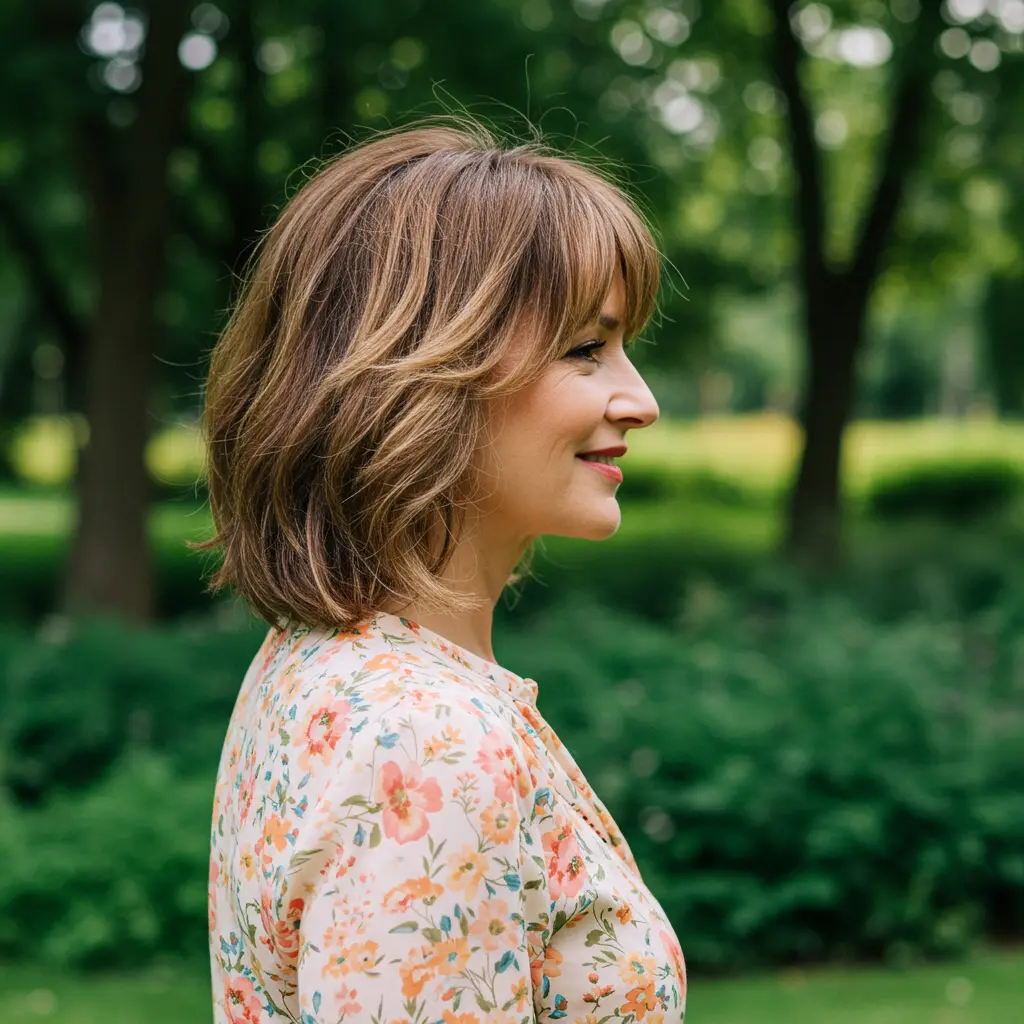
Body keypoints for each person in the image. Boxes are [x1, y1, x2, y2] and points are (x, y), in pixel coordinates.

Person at [200, 117, 685, 1023]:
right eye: (586, 348)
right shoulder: (424, 741)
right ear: (424, 376)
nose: (641, 400)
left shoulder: (316, 663)